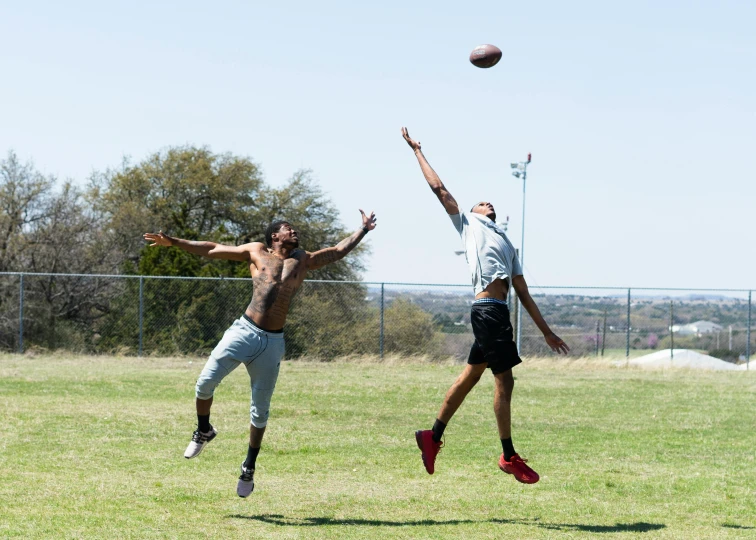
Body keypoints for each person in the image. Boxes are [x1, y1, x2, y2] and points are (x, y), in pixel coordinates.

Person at [143, 209, 377, 497]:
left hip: (273, 343)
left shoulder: (303, 260)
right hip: (244, 332)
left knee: (260, 412)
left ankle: (249, 466)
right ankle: (204, 430)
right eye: (288, 229)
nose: (294, 232)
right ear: (274, 236)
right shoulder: (256, 252)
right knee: (204, 384)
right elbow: (212, 248)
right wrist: (174, 241)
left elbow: (338, 251)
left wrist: (363, 230)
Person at [401, 127, 569, 484]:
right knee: (504, 381)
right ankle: (508, 456)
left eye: (491, 203)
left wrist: (548, 332)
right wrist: (417, 151)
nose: (488, 203)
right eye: (482, 202)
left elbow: (523, 293)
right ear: (474, 211)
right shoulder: (469, 224)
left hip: (497, 313)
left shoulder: (507, 243)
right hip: (487, 311)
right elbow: (439, 189)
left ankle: (432, 436)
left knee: (471, 376)